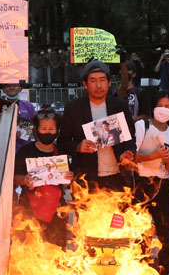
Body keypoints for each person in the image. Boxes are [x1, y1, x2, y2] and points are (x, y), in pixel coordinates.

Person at [58, 61, 137, 192]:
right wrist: (78, 146)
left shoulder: (120, 106)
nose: (99, 85)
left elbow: (130, 138)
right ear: (85, 84)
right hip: (85, 178)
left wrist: (127, 153)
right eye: (93, 81)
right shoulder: (73, 108)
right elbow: (62, 142)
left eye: (102, 80)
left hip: (117, 176)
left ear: (109, 82)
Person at [132, 95, 169, 275]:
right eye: (160, 105)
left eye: (168, 106)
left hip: (163, 184)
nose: (164, 109)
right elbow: (132, 157)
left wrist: (167, 159)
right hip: (141, 183)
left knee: (166, 233)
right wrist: (153, 155)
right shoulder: (142, 126)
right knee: (141, 234)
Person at [14, 108, 70, 247]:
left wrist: (69, 177)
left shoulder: (60, 151)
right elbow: (13, 177)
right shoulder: (25, 151)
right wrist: (24, 180)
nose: (47, 132)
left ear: (57, 130)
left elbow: (67, 178)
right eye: (43, 129)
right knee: (31, 249)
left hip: (56, 211)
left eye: (51, 129)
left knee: (56, 248)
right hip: (30, 210)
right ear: (36, 130)